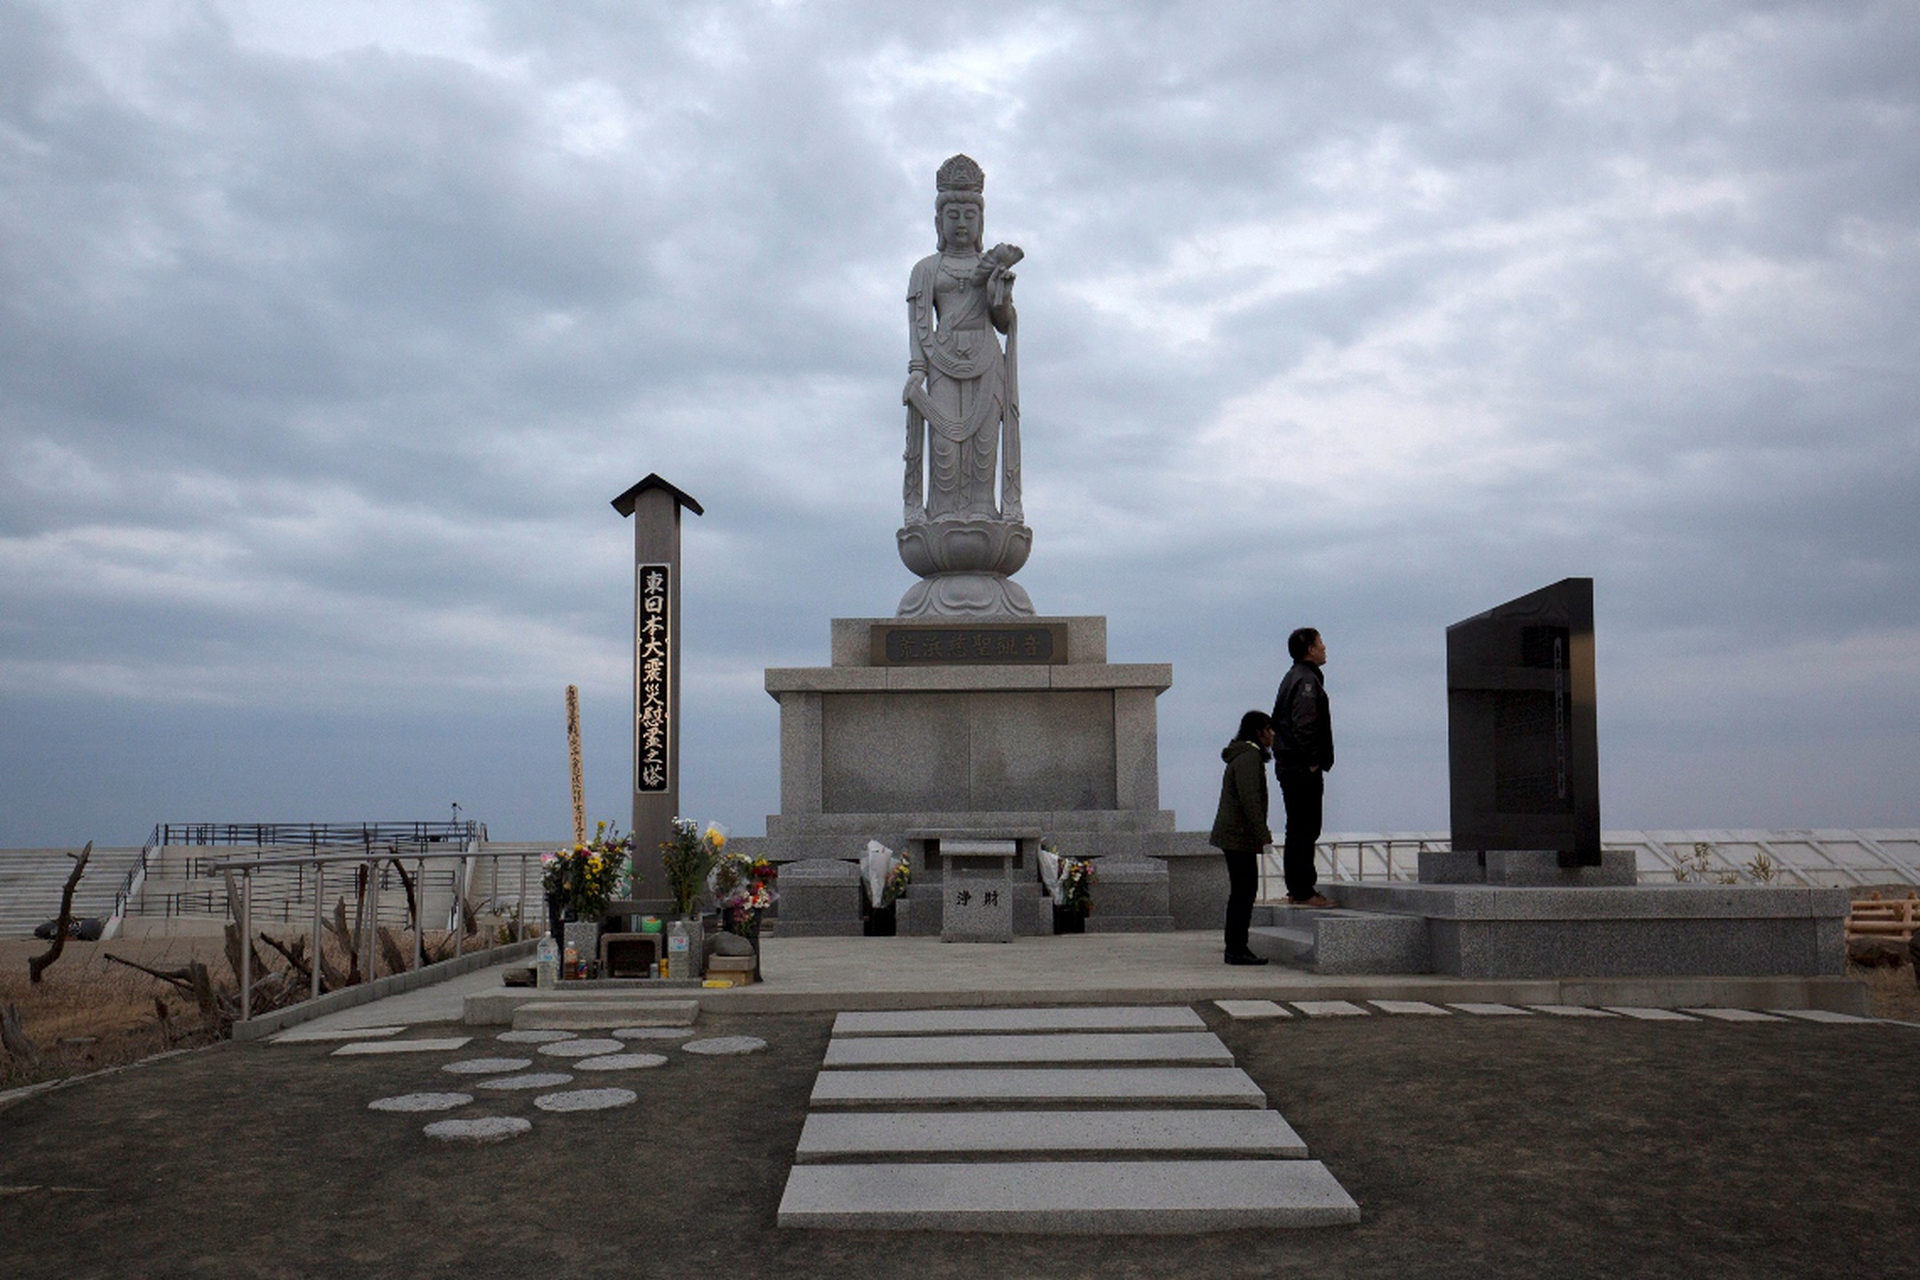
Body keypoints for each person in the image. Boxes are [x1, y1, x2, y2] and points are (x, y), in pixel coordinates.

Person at [901, 153, 1024, 525]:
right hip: (941, 362)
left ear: (980, 221)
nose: (961, 223)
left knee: (983, 449)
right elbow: (917, 325)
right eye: (952, 215)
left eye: (969, 216)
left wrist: (1000, 297)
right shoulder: (925, 271)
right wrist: (917, 371)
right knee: (945, 449)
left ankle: (982, 516)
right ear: (938, 221)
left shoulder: (989, 266)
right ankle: (942, 518)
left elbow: (1003, 323)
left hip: (986, 360)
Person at [1272, 627, 1336, 908]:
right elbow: (1305, 725)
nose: (1325, 647)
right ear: (1310, 649)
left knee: (1297, 828)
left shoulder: (1292, 677)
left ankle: (1297, 888)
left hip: (1289, 765)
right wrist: (1312, 761)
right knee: (1306, 828)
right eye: (1321, 643)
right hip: (1300, 767)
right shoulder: (1306, 681)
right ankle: (1303, 890)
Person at [1209, 709, 1274, 965]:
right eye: (1269, 728)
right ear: (1258, 731)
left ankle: (1236, 947)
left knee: (1242, 891)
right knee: (1244, 892)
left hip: (1235, 835)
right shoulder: (1249, 757)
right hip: (1238, 836)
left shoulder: (1244, 754)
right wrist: (1264, 835)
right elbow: (1251, 801)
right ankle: (1236, 949)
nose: (1272, 734)